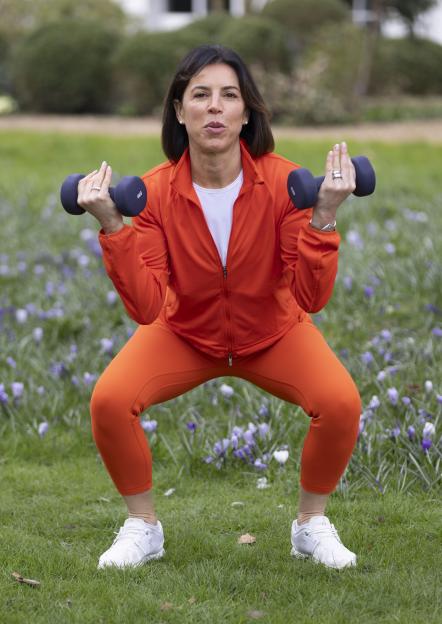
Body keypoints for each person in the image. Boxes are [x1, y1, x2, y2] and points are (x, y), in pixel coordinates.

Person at [79, 44, 362, 571]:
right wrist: (114, 227)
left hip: (273, 332)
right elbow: (145, 306)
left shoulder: (286, 184)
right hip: (185, 331)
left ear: (246, 112)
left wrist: (323, 216)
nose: (214, 107)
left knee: (341, 403)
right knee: (110, 401)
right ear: (180, 111)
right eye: (200, 95)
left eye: (228, 95)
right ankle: (143, 528)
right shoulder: (154, 194)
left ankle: (310, 526)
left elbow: (310, 298)